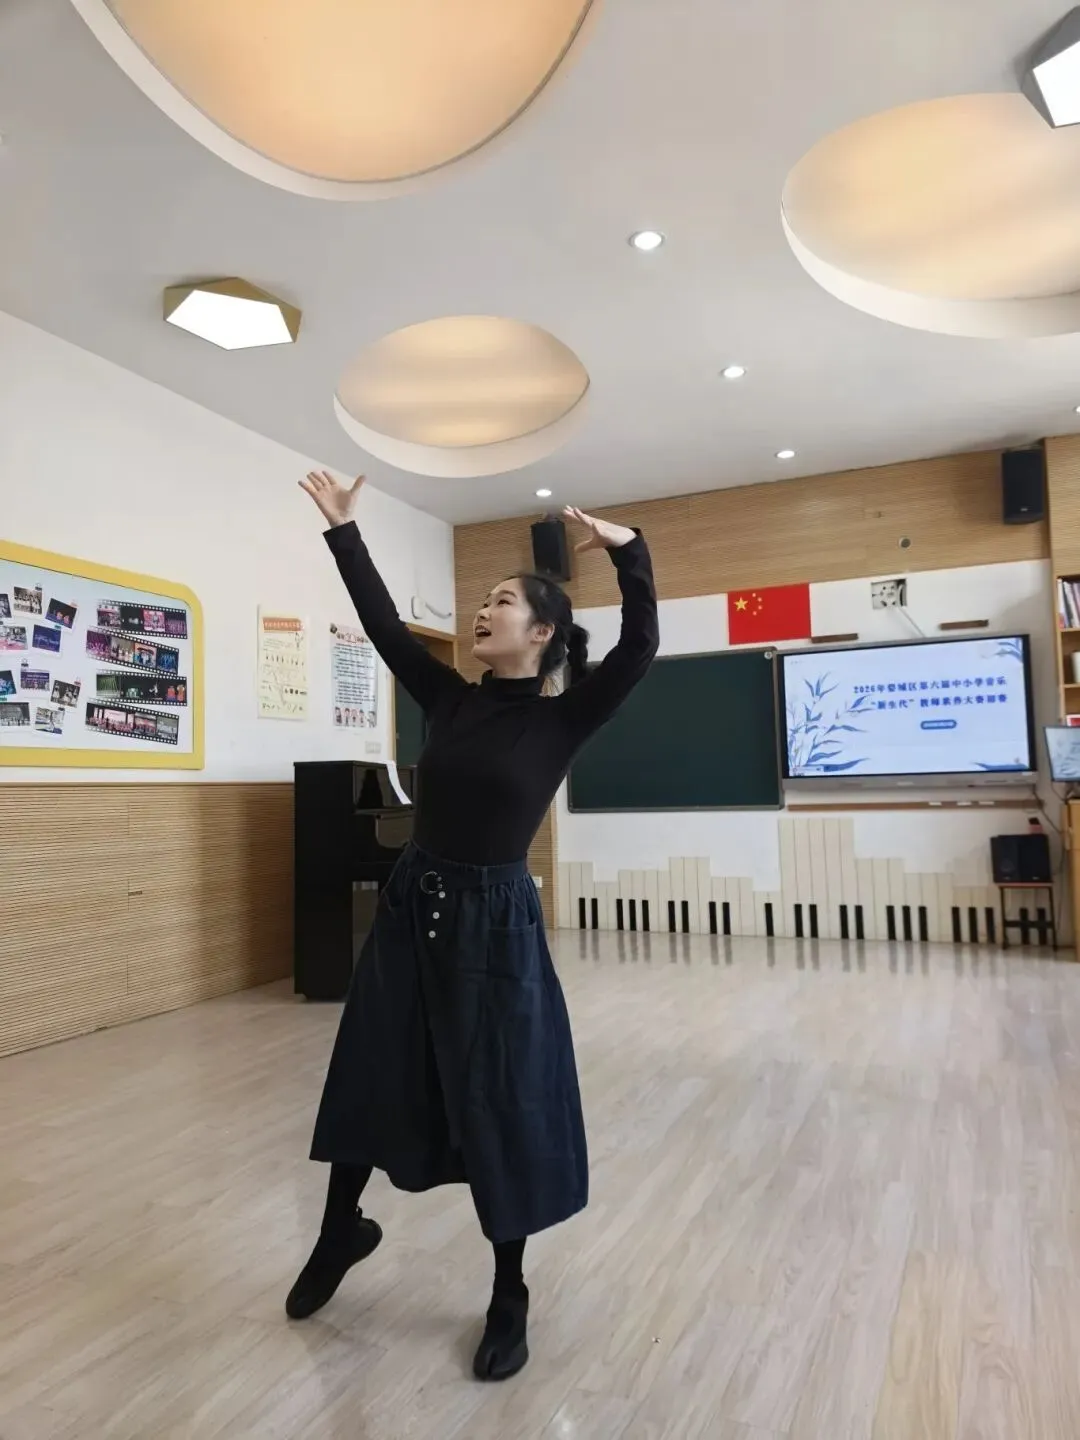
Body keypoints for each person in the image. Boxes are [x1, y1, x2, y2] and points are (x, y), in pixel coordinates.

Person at [286, 470, 659, 1381]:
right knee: (370, 1065)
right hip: (414, 904)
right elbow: (382, 625)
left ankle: (508, 1291)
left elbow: (641, 646)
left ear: (542, 633)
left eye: (502, 602)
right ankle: (340, 1230)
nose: (484, 611)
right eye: (483, 600)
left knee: (499, 1096)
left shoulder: (565, 718)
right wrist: (344, 531)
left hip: (495, 924)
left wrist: (631, 554)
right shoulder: (449, 698)